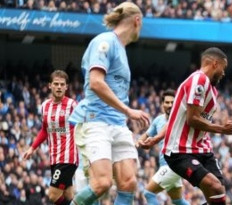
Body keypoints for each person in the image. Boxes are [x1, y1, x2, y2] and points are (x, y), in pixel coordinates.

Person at [68, 2, 150, 205]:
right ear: (137, 21)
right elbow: (96, 83)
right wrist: (128, 110)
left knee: (129, 182)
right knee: (102, 183)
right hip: (96, 120)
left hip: (118, 124)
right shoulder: (105, 42)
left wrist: (124, 114)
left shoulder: (121, 49)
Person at [162, 47, 232, 205]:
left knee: (218, 195)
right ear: (215, 64)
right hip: (181, 151)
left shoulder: (211, 89)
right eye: (223, 69)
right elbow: (192, 119)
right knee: (215, 188)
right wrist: (222, 129)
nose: (224, 74)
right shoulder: (199, 80)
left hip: (202, 149)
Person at [23, 70, 78, 205]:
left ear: (66, 87)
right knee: (68, 195)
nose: (59, 87)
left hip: (68, 157)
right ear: (50, 85)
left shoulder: (72, 105)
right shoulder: (44, 106)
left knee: (53, 195)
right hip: (54, 157)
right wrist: (32, 148)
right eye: (56, 84)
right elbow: (44, 130)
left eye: (62, 84)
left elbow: (83, 128)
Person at [136, 89, 190, 205]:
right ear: (162, 104)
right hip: (166, 165)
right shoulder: (158, 120)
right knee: (178, 201)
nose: (170, 105)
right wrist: (139, 142)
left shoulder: (181, 119)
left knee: (148, 193)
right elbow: (146, 135)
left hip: (173, 164)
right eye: (167, 102)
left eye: (172, 102)